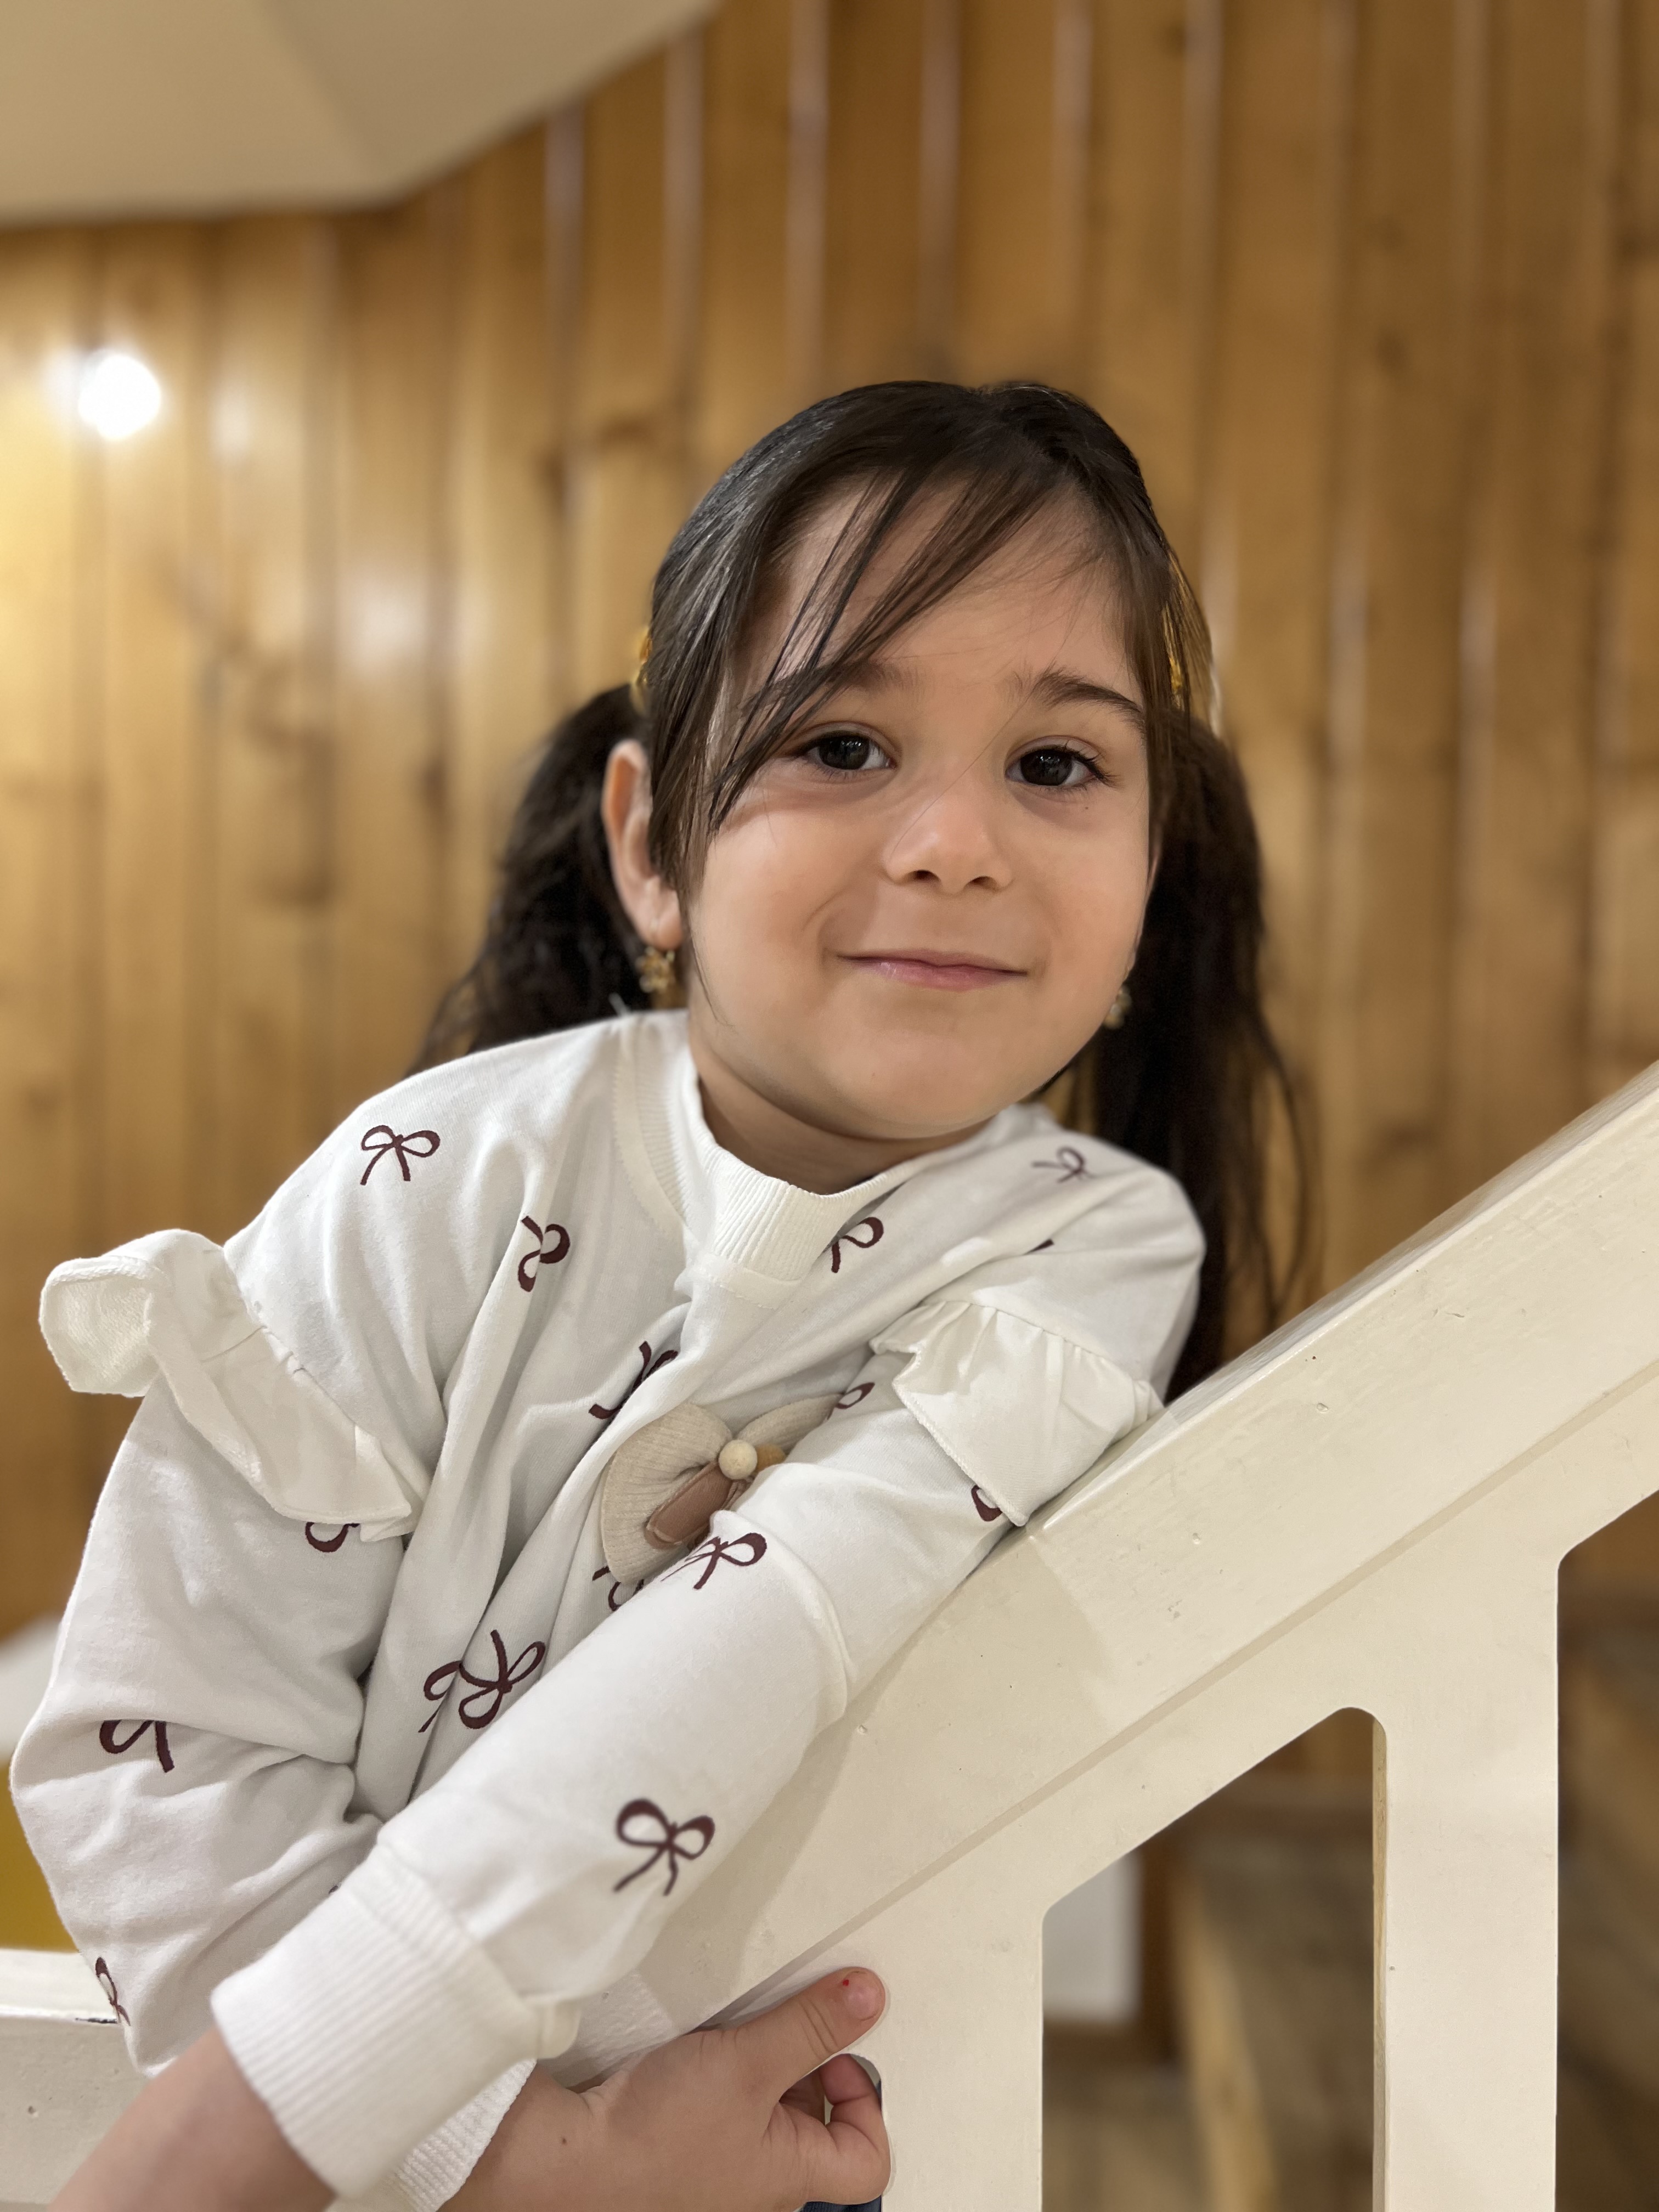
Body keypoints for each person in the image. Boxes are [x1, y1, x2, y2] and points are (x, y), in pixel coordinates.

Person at [13, 379, 1297, 2212]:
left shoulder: (1094, 1247)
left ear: (1151, 879)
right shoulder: (429, 1182)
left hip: (761, 2149)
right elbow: (167, 1735)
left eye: (1057, 765)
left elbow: (756, 1632)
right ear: (651, 845)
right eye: (842, 742)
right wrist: (490, 2155)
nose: (956, 839)